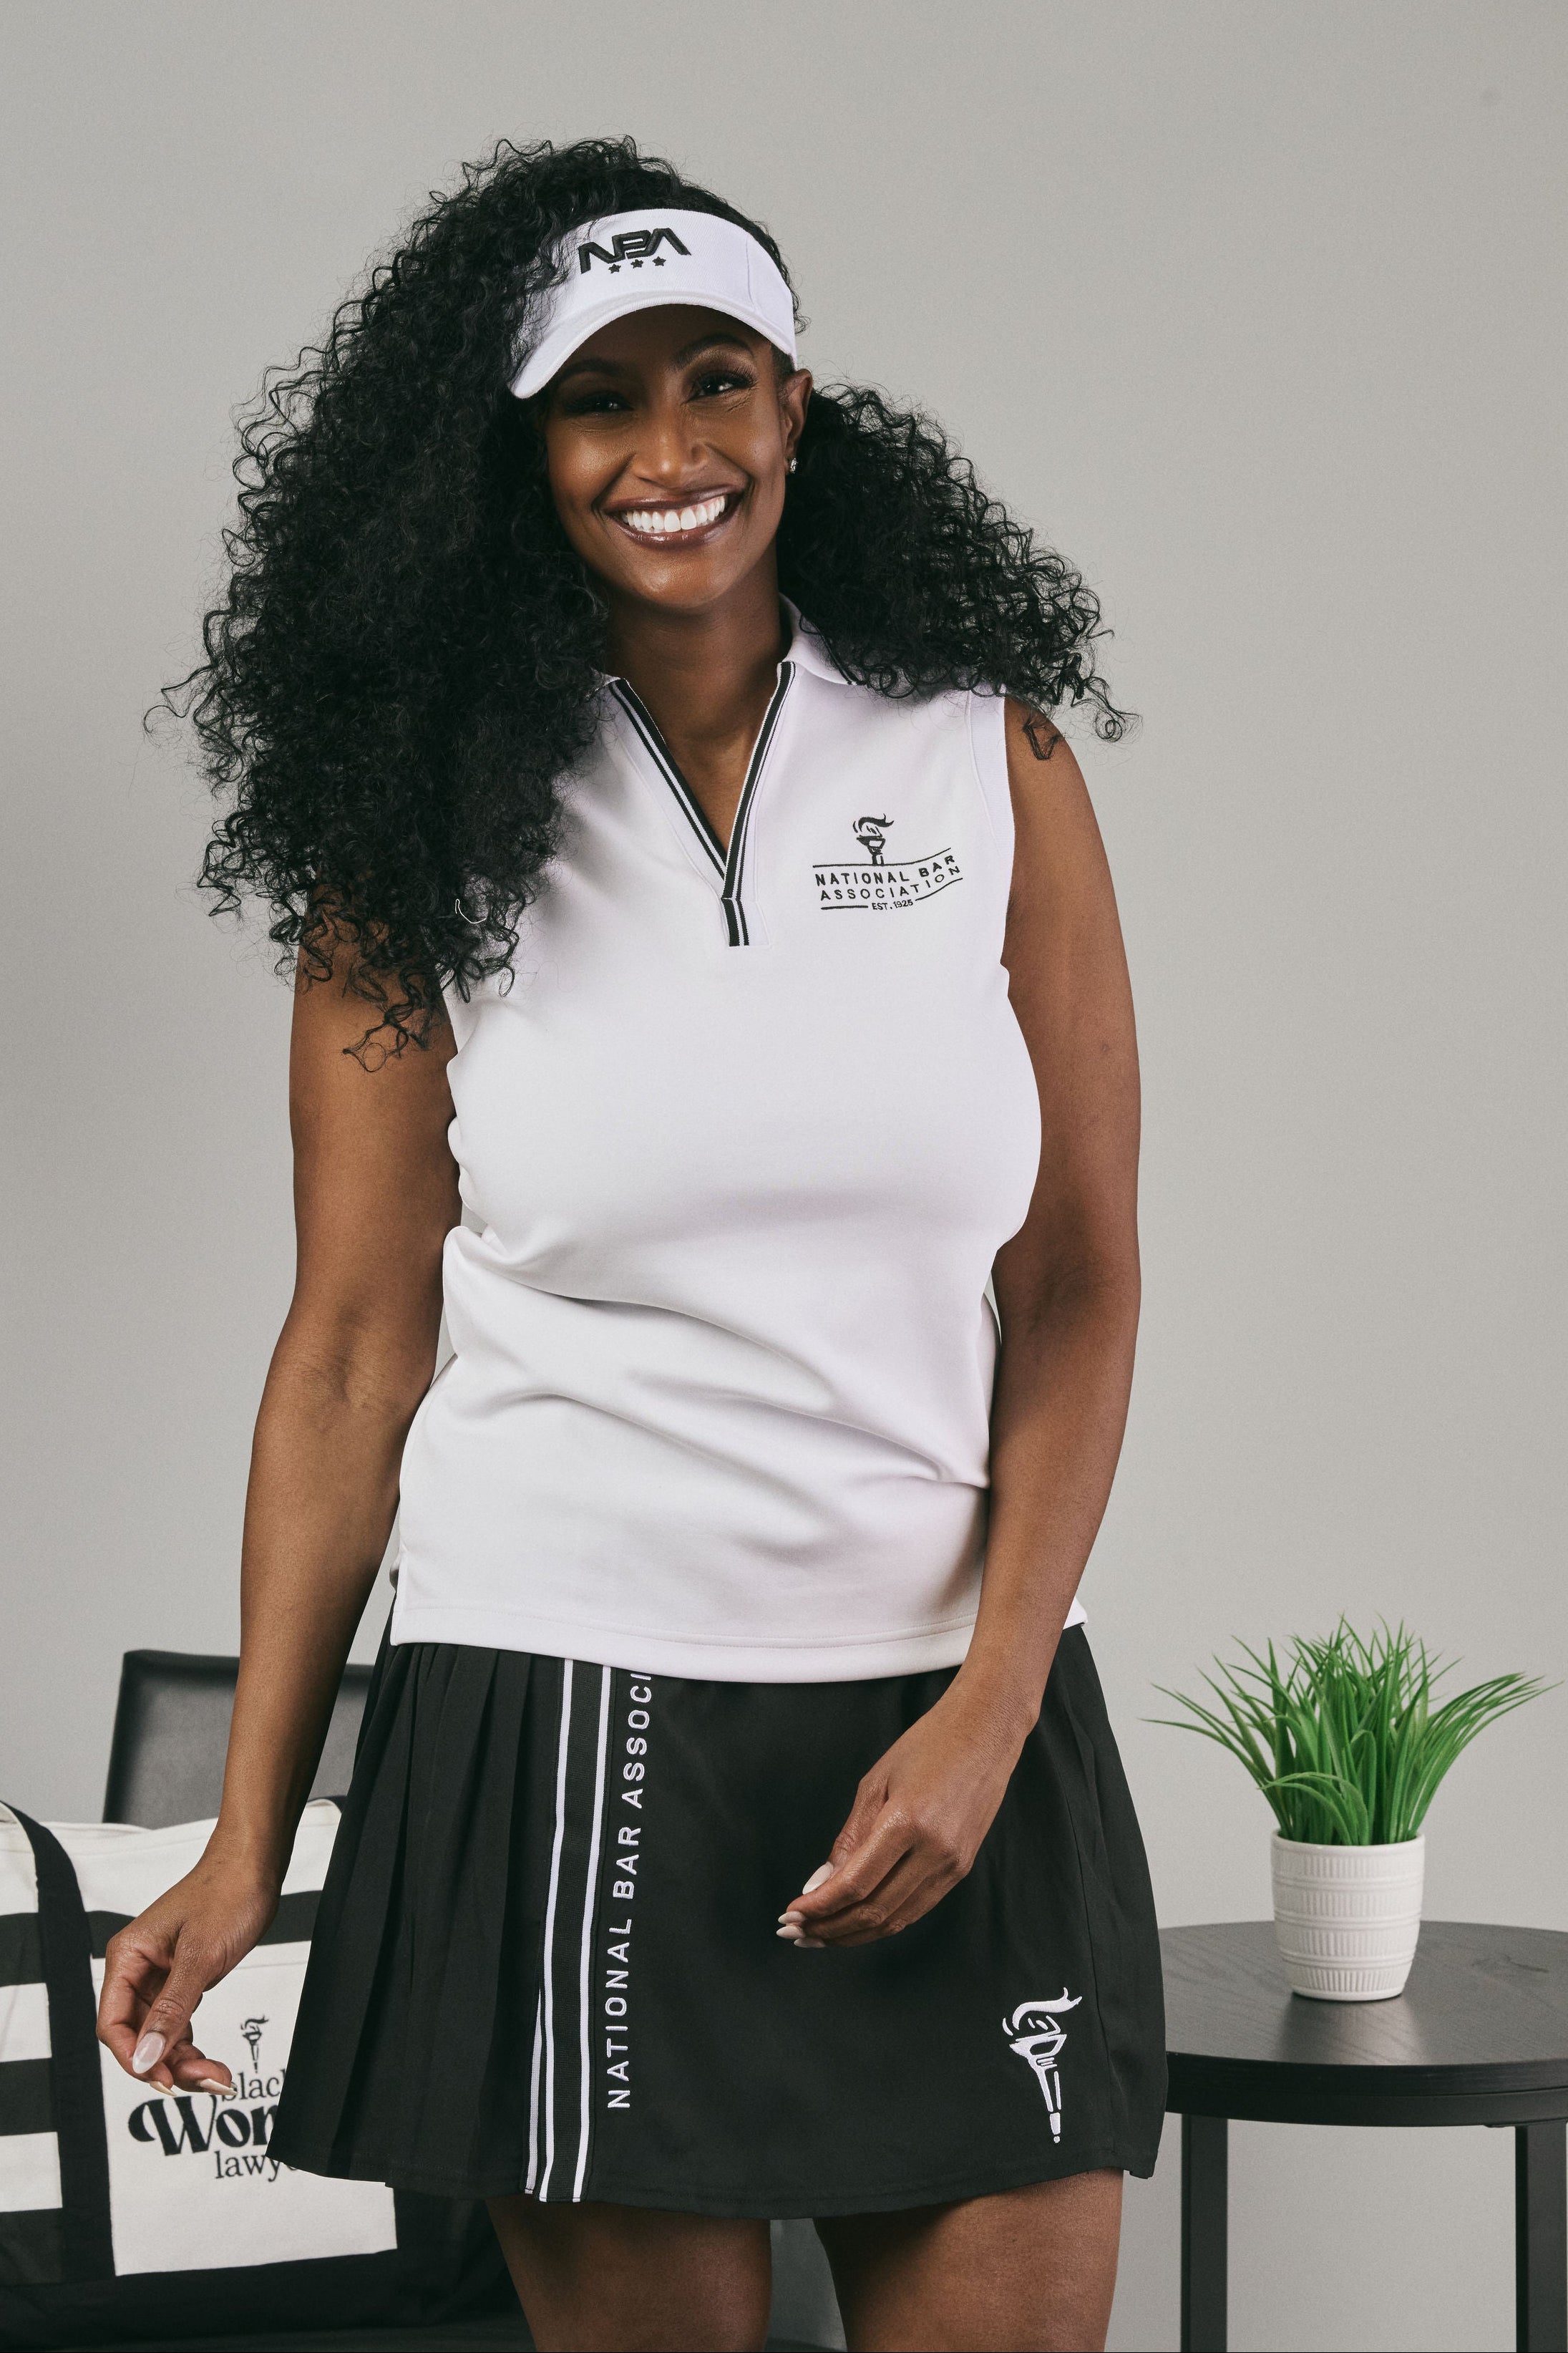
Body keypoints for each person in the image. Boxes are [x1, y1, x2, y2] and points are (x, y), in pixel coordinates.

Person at [96, 137, 1164, 2353]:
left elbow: (1076, 1271)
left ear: (798, 406)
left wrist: (992, 1704)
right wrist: (246, 1836)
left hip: (947, 1731)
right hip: (569, 1720)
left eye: (718, 380)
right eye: (603, 400)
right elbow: (353, 1348)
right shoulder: (420, 829)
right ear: (522, 454)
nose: (670, 452)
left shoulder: (987, 753)